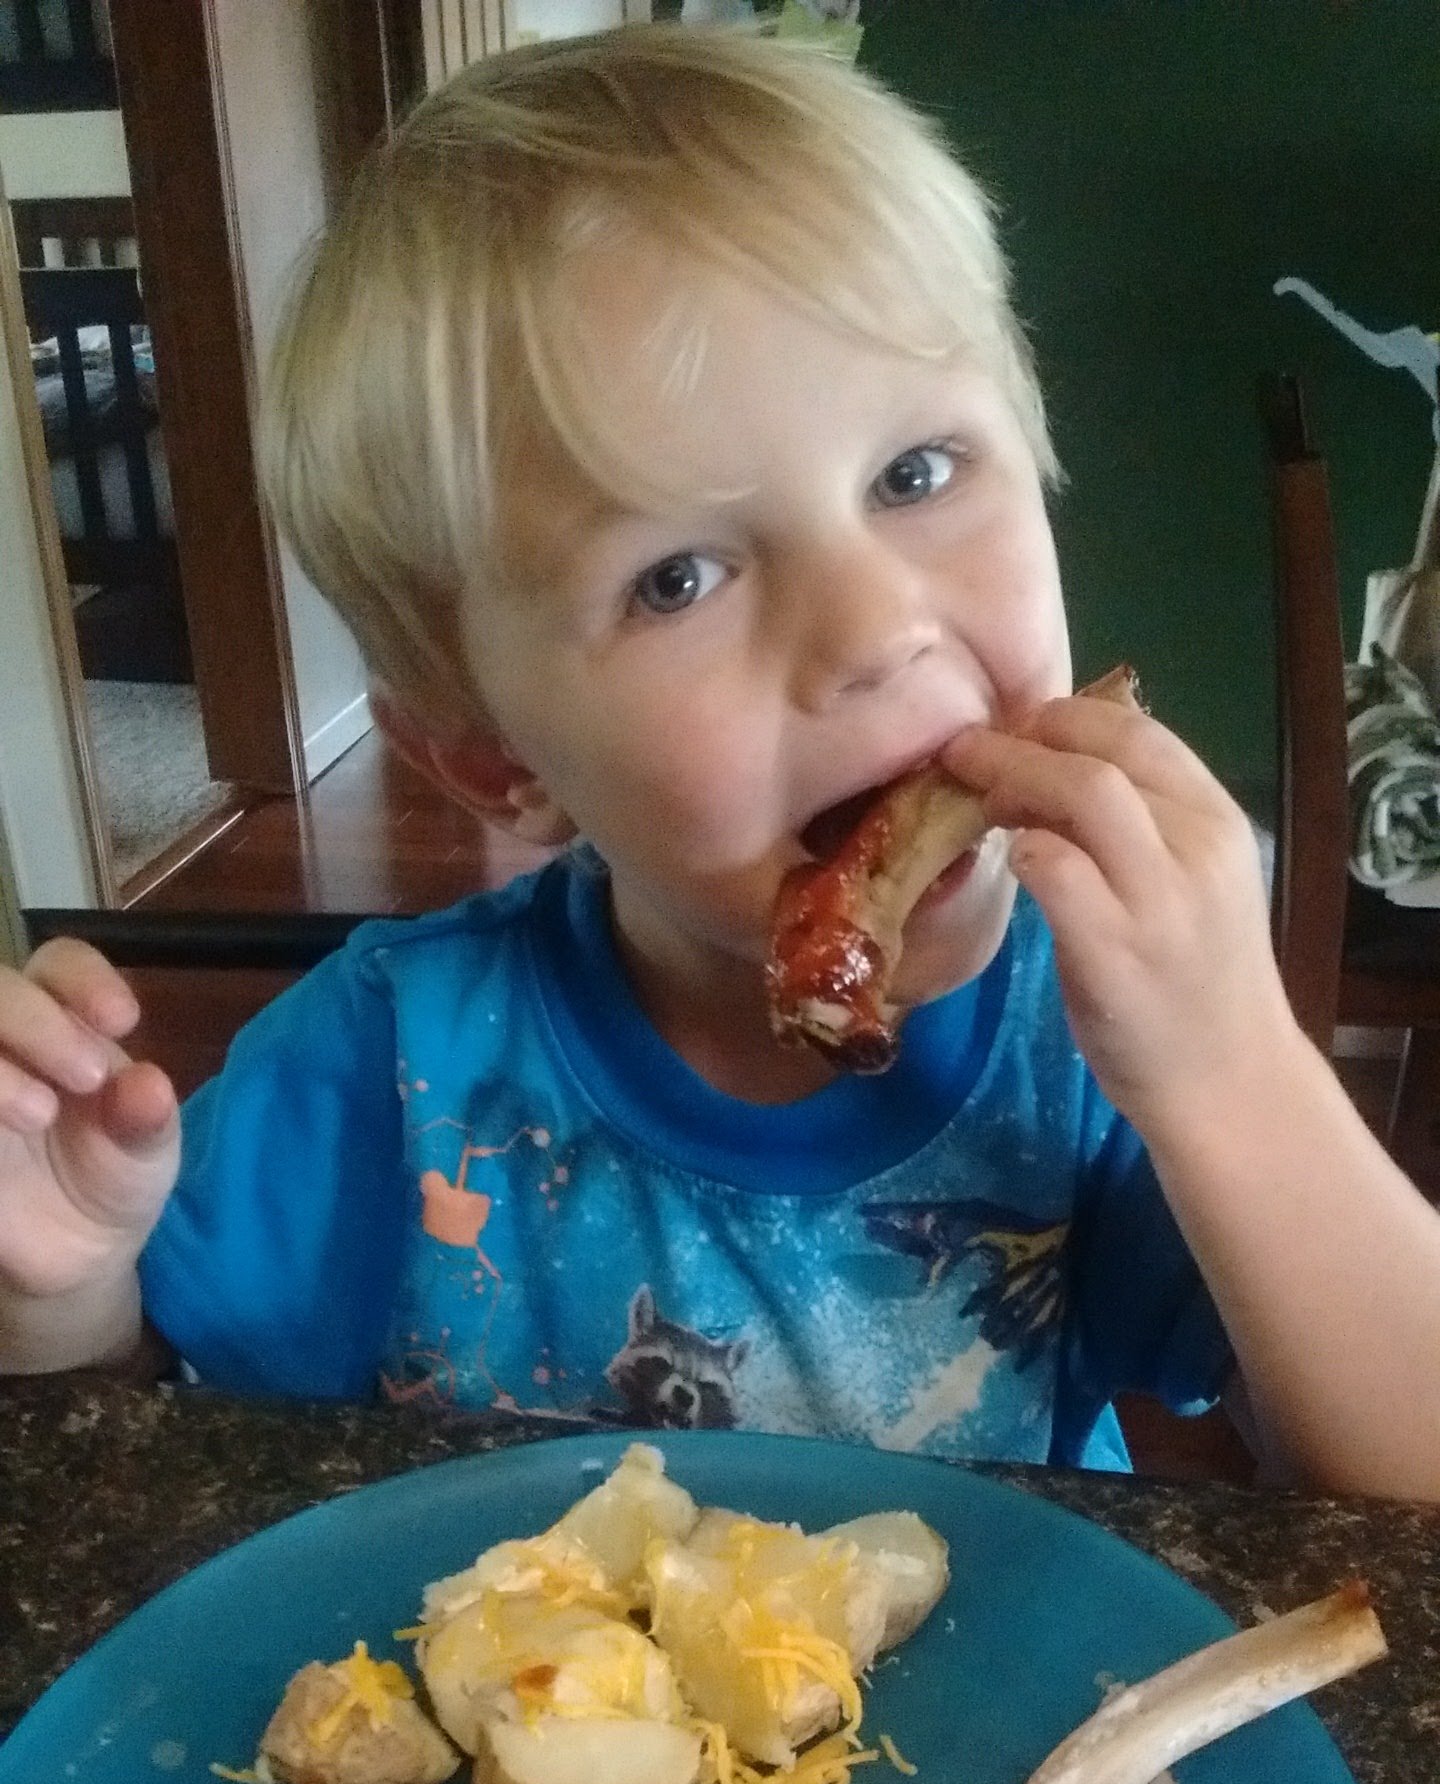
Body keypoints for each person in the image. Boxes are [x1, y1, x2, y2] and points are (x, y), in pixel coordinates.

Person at [2, 25, 1438, 1498]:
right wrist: (59, 1304)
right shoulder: (386, 1066)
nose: (876, 630)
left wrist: (1234, 1074)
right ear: (495, 760)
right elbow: (142, 1478)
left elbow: (1412, 1496)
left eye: (916, 472)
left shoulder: (1089, 1049)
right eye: (679, 576)